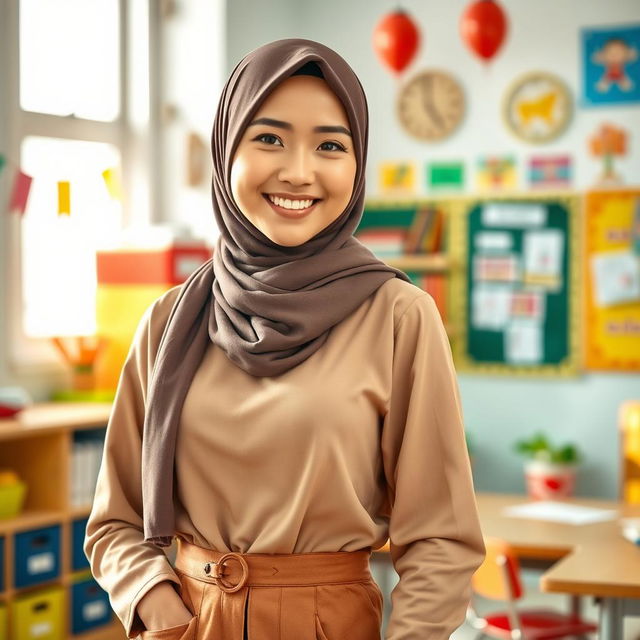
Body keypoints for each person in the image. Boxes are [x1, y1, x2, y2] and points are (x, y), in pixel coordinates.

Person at [84, 38, 486, 640]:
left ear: (357, 164)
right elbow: (113, 522)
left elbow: (441, 538)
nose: (299, 171)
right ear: (226, 152)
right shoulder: (170, 320)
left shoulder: (401, 316)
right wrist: (156, 603)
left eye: (330, 145)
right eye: (268, 138)